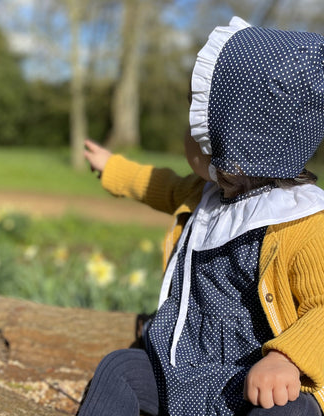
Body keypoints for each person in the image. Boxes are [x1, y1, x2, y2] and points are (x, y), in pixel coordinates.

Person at [78, 16, 324, 416]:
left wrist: (286, 359)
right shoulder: (202, 195)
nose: (186, 134)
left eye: (195, 125)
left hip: (258, 381)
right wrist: (113, 168)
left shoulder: (303, 222)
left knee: (289, 410)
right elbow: (157, 185)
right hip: (182, 365)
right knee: (120, 367)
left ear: (230, 139)